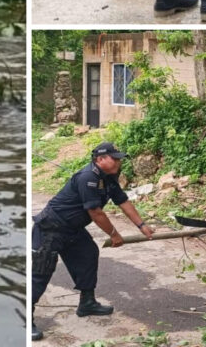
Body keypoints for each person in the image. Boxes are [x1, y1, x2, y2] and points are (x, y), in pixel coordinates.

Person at [31, 142, 155, 341]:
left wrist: (142, 225)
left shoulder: (109, 178)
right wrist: (114, 234)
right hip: (51, 228)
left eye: (119, 158)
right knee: (41, 271)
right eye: (114, 158)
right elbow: (96, 213)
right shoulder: (88, 177)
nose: (118, 162)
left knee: (88, 254)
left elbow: (123, 201)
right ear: (100, 160)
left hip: (73, 229)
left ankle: (87, 302)